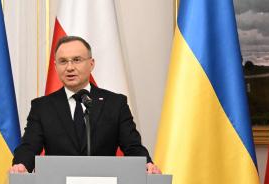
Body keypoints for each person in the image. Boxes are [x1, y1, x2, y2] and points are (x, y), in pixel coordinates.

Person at [9, 35, 160, 174]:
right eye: (63, 61)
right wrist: (22, 164)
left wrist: (146, 164)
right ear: (55, 66)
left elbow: (132, 146)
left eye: (76, 60)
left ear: (91, 64)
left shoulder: (115, 104)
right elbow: (29, 146)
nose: (69, 67)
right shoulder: (42, 107)